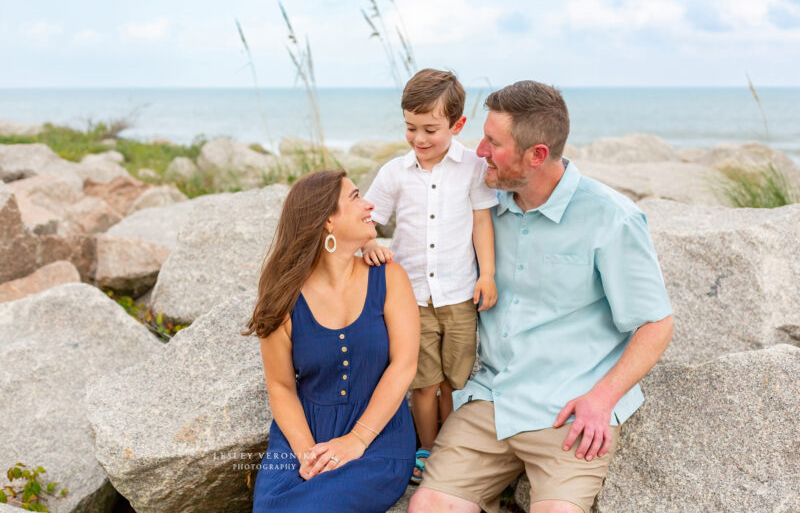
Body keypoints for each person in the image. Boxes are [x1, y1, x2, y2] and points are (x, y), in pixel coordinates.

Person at [408, 81, 674, 513]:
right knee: (428, 507)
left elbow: (657, 323)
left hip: (571, 409)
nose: (478, 151)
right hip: (493, 398)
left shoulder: (612, 218)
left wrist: (602, 399)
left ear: (536, 155)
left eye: (493, 143)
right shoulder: (481, 204)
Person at [245, 170, 419, 512]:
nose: (369, 204)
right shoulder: (283, 296)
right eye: (355, 197)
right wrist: (308, 455)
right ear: (327, 221)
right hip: (300, 435)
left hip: (378, 436)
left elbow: (405, 365)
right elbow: (280, 386)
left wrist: (357, 440)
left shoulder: (389, 278)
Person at [362, 68, 499, 484]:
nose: (419, 139)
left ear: (457, 125)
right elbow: (369, 219)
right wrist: (368, 244)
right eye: (410, 128)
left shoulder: (473, 168)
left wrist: (487, 274)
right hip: (412, 299)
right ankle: (427, 448)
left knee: (454, 382)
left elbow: (481, 223)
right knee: (422, 382)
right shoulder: (394, 173)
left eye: (430, 129)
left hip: (459, 295)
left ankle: (451, 449)